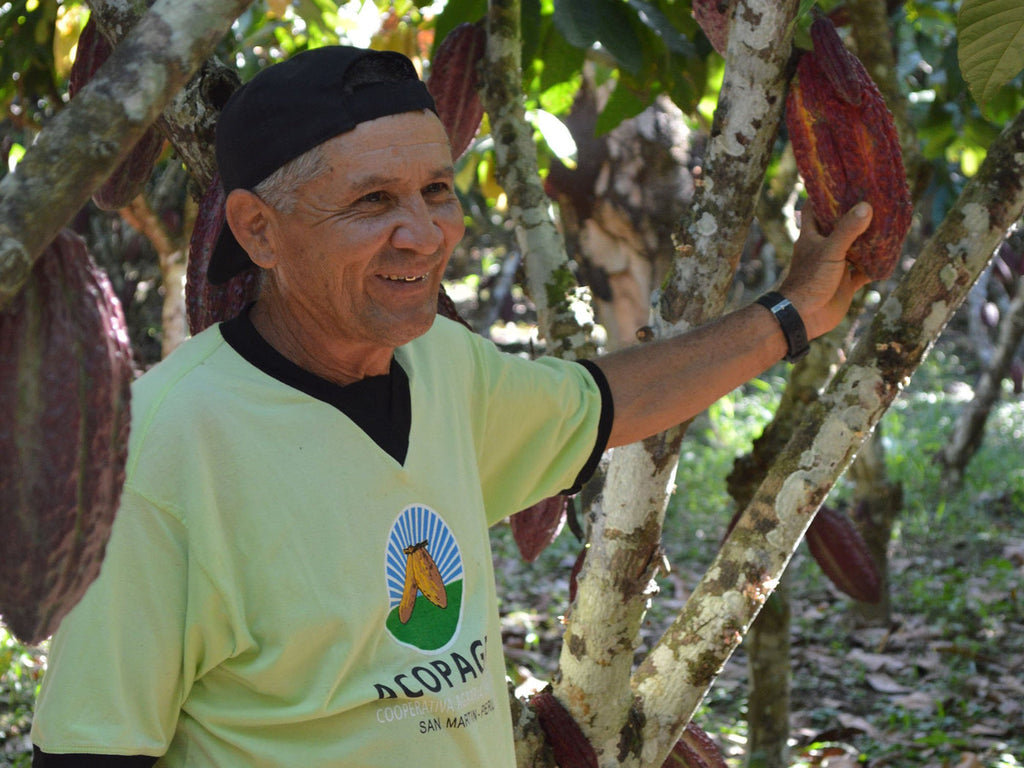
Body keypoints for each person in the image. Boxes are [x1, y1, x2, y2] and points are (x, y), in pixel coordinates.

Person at [30, 45, 872, 767]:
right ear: (257, 231)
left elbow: (609, 400)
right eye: (372, 201)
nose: (427, 233)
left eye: (437, 189)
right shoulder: (161, 451)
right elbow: (92, 748)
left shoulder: (441, 366)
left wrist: (794, 314)